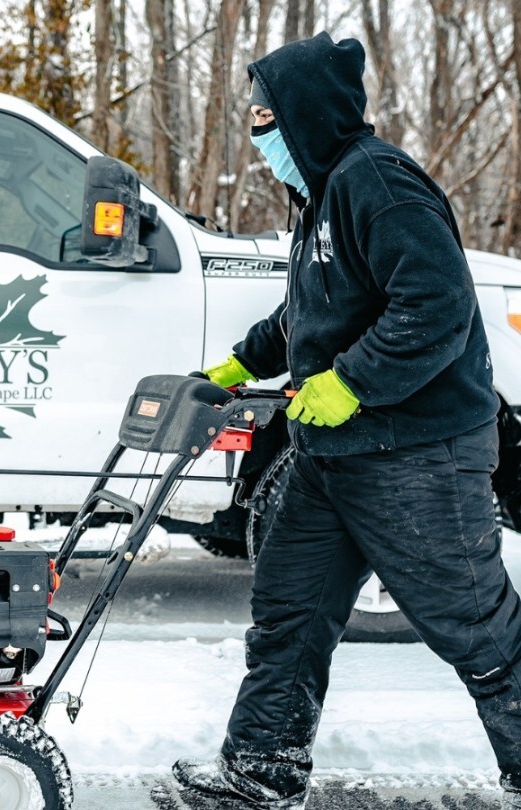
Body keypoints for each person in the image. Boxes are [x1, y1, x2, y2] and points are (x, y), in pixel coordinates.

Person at [157, 32, 521, 810]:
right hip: (336, 458)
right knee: (289, 611)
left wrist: (351, 382)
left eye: (267, 116)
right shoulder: (322, 194)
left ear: (308, 114)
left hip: (418, 455)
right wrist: (237, 366)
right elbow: (310, 312)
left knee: (477, 631)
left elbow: (438, 306)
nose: (258, 134)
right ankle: (261, 770)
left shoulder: (379, 185)